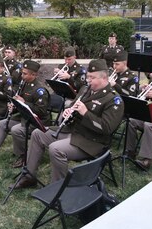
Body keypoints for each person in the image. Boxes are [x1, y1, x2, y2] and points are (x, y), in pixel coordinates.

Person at [14, 59, 124, 189]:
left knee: (56, 149)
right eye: (88, 76)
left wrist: (85, 113)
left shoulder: (113, 99)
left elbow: (107, 128)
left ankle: (58, 188)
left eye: (92, 78)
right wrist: (68, 111)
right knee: (38, 133)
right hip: (73, 131)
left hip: (91, 141)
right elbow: (73, 105)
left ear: (104, 78)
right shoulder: (85, 89)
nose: (88, 80)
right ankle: (29, 177)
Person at [0, 60, 50, 165]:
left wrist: (24, 102)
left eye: (25, 74)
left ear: (34, 74)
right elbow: (21, 105)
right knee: (2, 123)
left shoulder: (40, 90)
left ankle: (23, 156)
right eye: (22, 72)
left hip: (36, 121)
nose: (22, 76)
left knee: (16, 130)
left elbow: (41, 111)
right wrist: (14, 106)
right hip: (24, 117)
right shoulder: (24, 84)